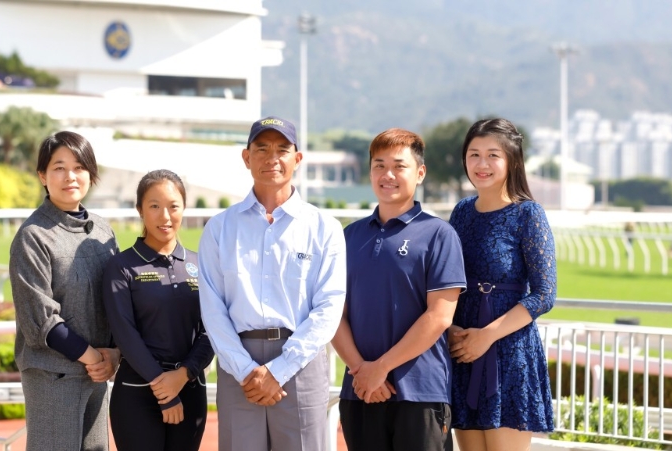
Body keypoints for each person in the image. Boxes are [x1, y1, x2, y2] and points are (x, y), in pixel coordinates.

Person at [198, 116, 347, 451]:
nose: (271, 158)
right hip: (240, 368)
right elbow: (212, 308)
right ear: (246, 157)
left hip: (301, 363)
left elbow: (329, 306)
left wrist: (280, 369)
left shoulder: (324, 227)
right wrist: (246, 369)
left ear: (297, 158)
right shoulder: (220, 228)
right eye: (261, 148)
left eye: (282, 149)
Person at [331, 128, 466, 451]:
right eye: (379, 165)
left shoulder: (439, 235)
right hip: (361, 391)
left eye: (398, 166)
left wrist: (381, 369)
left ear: (420, 173)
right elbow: (332, 312)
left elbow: (439, 317)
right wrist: (361, 371)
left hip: (420, 394)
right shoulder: (349, 236)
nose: (387, 174)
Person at [448, 118, 556, 451]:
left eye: (492, 155)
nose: (482, 164)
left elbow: (544, 295)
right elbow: (447, 282)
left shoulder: (529, 214)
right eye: (473, 154)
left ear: (512, 160)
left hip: (510, 355)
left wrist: (488, 335)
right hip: (463, 350)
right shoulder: (461, 212)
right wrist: (451, 328)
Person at [10, 130, 121, 451]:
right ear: (42, 176)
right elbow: (41, 321)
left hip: (97, 373)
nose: (70, 176)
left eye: (79, 167)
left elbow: (115, 302)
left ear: (90, 173)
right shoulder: (33, 236)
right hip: (53, 376)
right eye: (59, 167)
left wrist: (114, 353)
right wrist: (95, 358)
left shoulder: (102, 230)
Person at [102, 170, 215, 451]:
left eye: (173, 206)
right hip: (137, 394)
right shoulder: (122, 267)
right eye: (154, 206)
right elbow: (125, 334)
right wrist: (162, 389)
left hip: (189, 388)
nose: (165, 216)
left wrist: (184, 374)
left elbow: (213, 329)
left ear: (184, 208)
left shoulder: (202, 265)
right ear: (140, 209)